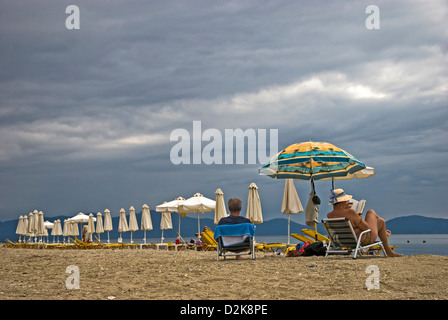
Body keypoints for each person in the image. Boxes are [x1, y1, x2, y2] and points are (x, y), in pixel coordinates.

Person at [327, 189, 402, 257]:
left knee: (380, 222)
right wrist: (358, 216)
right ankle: (386, 241)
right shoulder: (350, 212)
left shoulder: (329, 215)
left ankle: (386, 242)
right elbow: (365, 227)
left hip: (344, 241)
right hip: (363, 240)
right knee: (371, 212)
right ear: (343, 201)